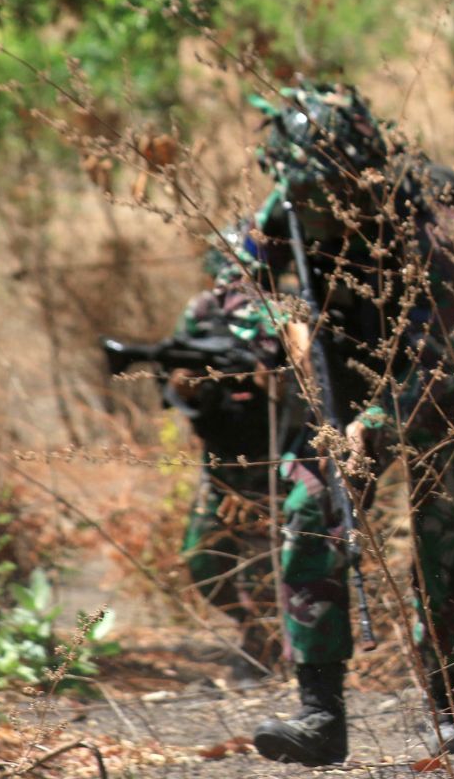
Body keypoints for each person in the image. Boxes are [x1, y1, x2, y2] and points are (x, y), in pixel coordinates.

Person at [247, 82, 454, 764]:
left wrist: (373, 424)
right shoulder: (292, 198)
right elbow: (234, 281)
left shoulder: (429, 221)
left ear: (359, 176)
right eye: (298, 195)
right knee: (311, 509)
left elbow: (436, 356)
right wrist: (284, 325)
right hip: (347, 384)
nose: (307, 210)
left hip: (445, 392)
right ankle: (320, 716)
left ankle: (453, 706)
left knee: (445, 550)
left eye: (322, 195)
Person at [165, 225, 303, 682]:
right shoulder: (203, 311)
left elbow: (308, 382)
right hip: (221, 457)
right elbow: (178, 378)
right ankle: (254, 631)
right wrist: (193, 386)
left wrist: (270, 377)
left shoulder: (284, 312)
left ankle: (270, 652)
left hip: (271, 456)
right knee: (202, 559)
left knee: (265, 563)